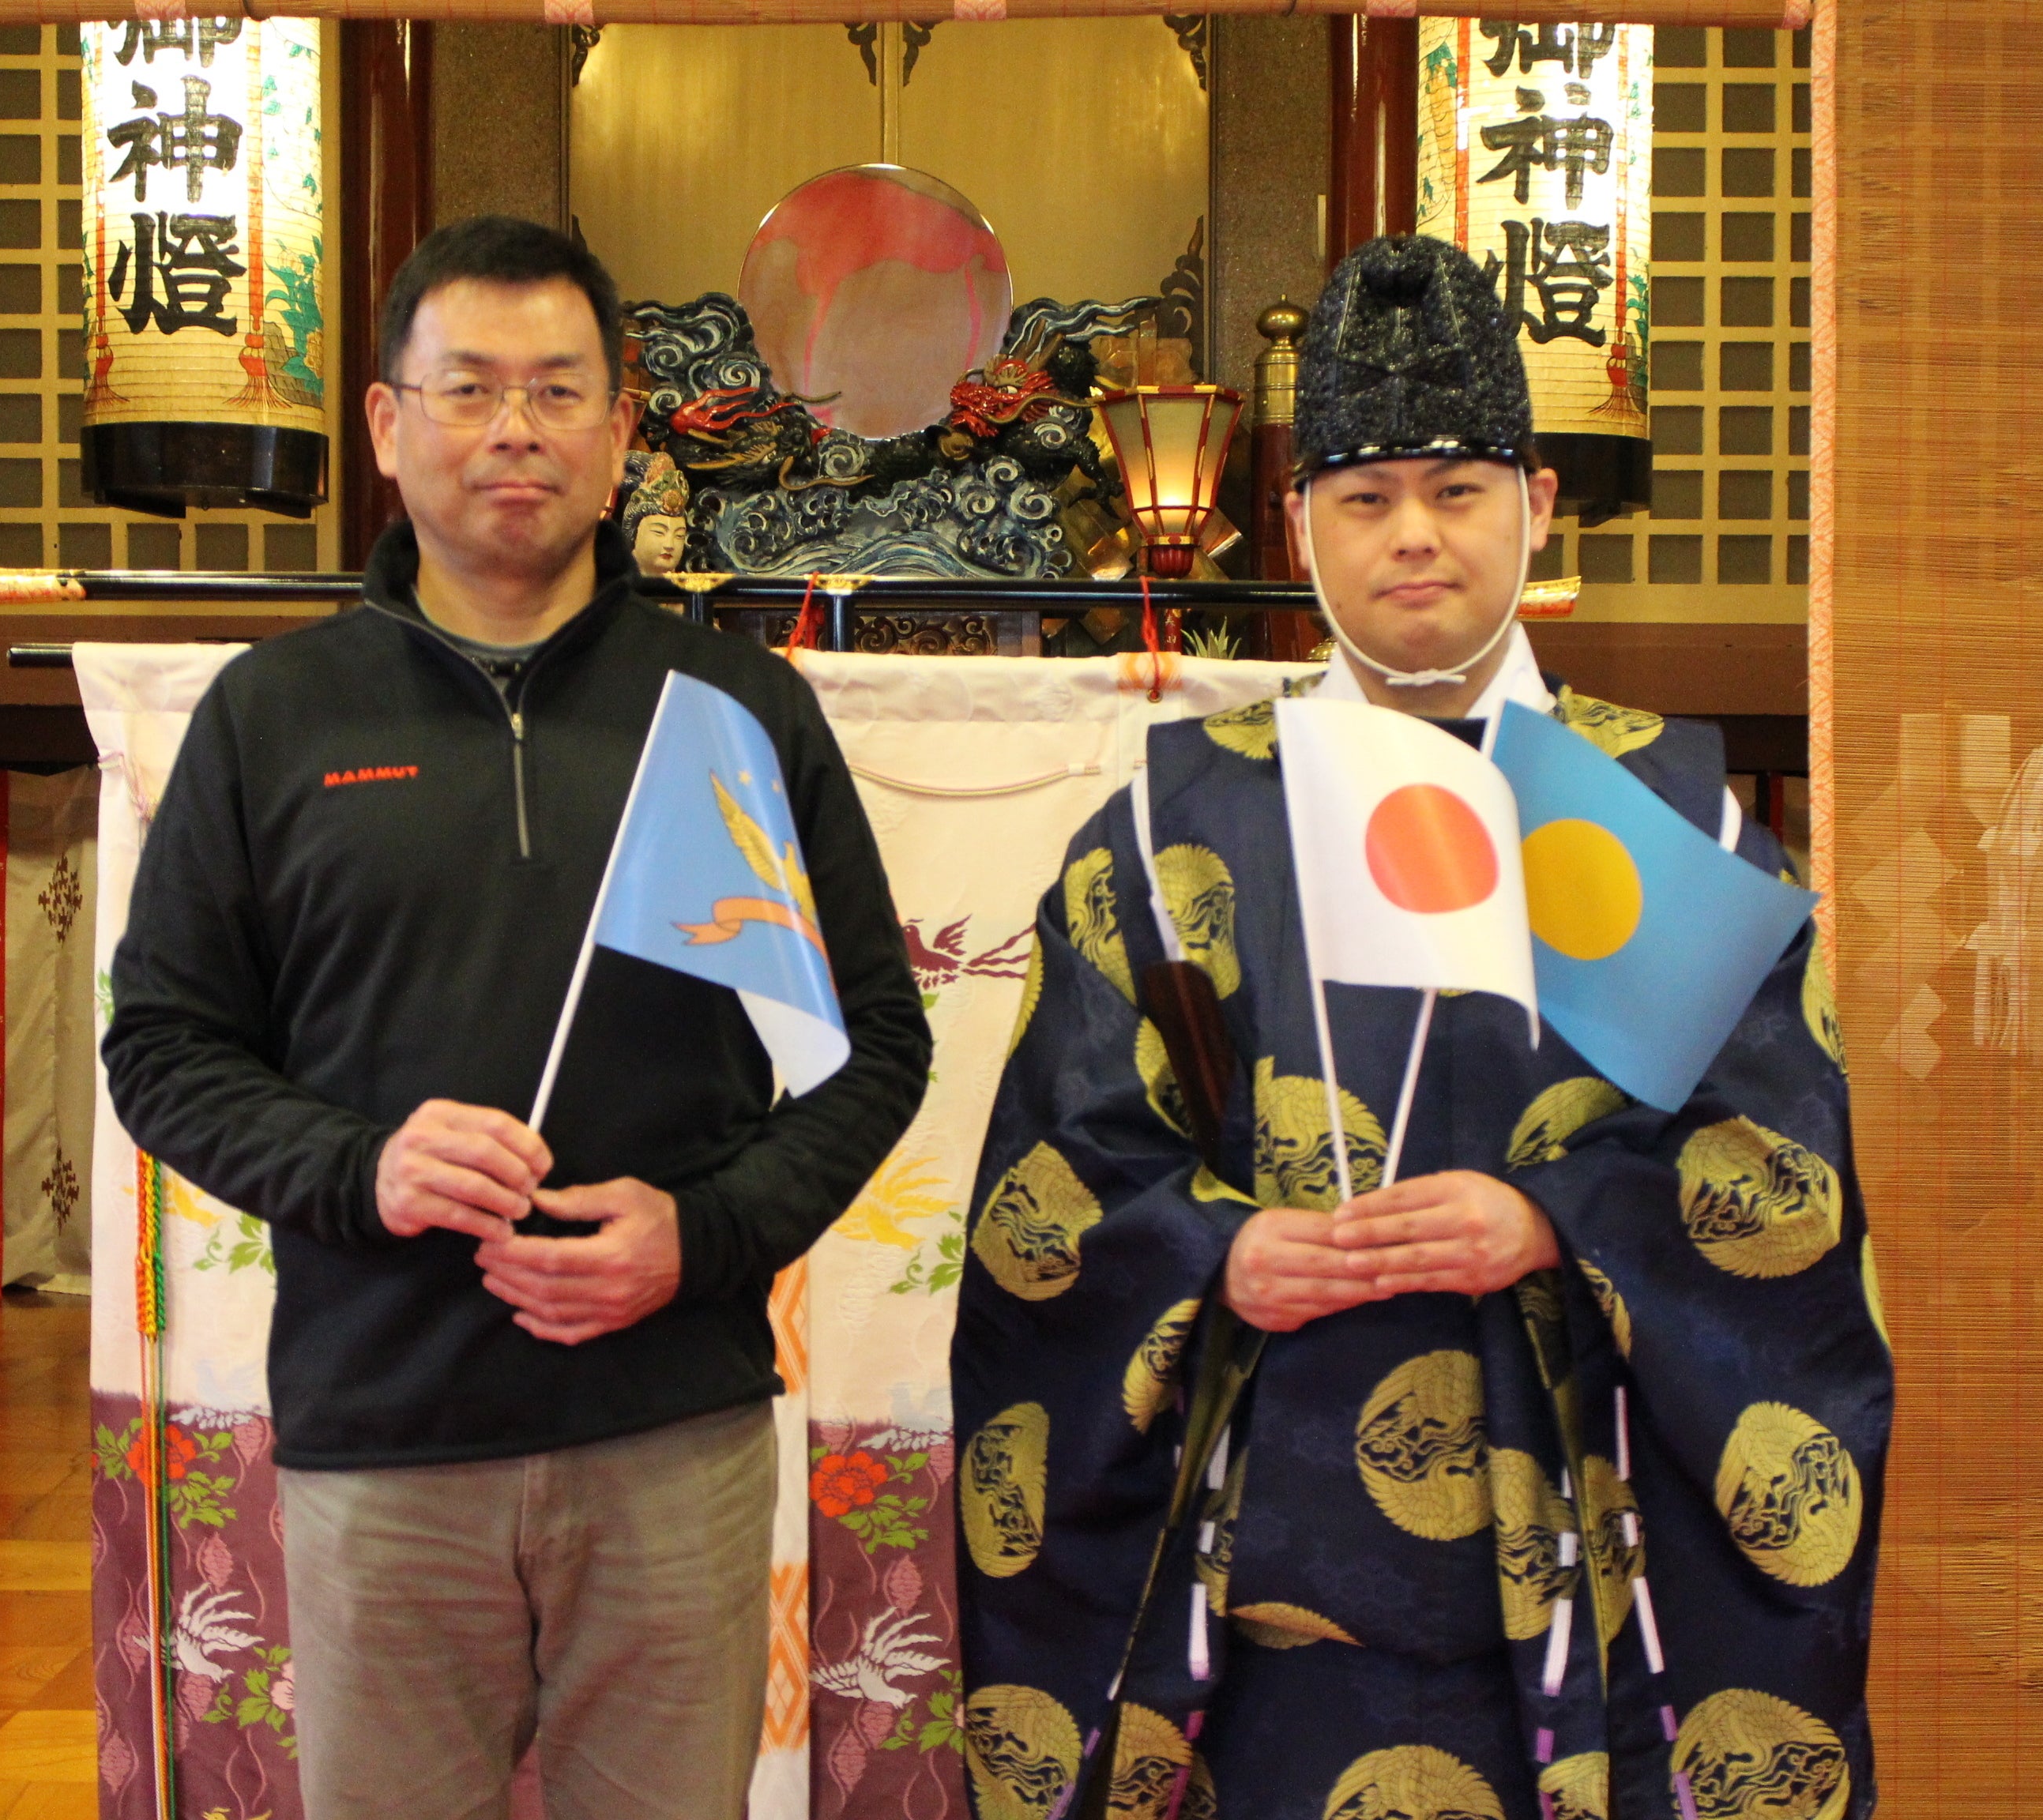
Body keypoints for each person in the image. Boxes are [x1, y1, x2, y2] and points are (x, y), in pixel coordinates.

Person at [950, 236, 1889, 1820]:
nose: (1413, 537)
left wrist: (1555, 1217)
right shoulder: (1176, 827)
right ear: (1297, 523)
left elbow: (1777, 1173)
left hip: (1590, 1544)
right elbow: (1062, 1173)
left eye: (1458, 491)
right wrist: (1215, 1249)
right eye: (1365, 496)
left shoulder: (1665, 817)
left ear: (1539, 504)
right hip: (1264, 1563)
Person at [102, 215, 931, 1820]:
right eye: (468, 388)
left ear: (621, 434)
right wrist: (365, 1168)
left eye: (559, 392)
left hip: (670, 1432)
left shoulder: (730, 710)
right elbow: (164, 1049)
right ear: (385, 423)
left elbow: (876, 1045)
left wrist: (702, 1235)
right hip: (382, 1431)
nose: (514, 431)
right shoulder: (274, 717)